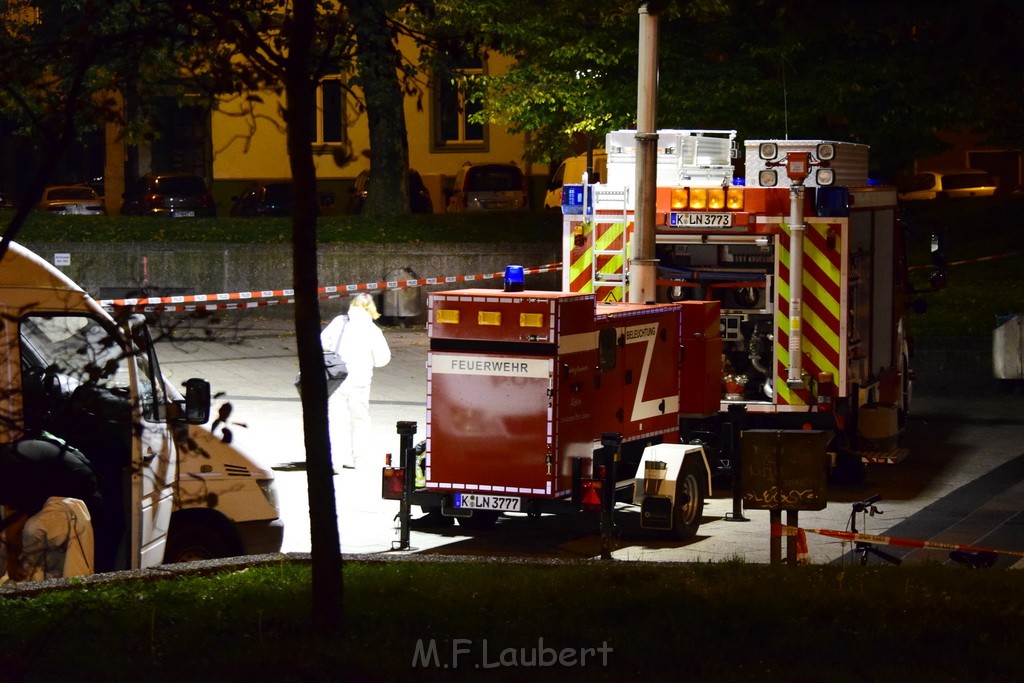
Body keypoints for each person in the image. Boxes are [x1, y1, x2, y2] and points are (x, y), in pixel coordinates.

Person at [0, 437, 102, 581]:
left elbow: (16, 520)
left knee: (31, 532)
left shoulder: (9, 468)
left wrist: (12, 562)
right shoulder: (8, 461)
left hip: (79, 496)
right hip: (56, 490)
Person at [324, 293, 391, 469]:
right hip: (360, 381)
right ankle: (359, 459)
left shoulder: (339, 322)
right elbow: (383, 359)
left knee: (336, 419)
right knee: (360, 419)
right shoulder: (373, 330)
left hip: (336, 378)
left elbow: (322, 343)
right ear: (371, 309)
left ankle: (335, 461)